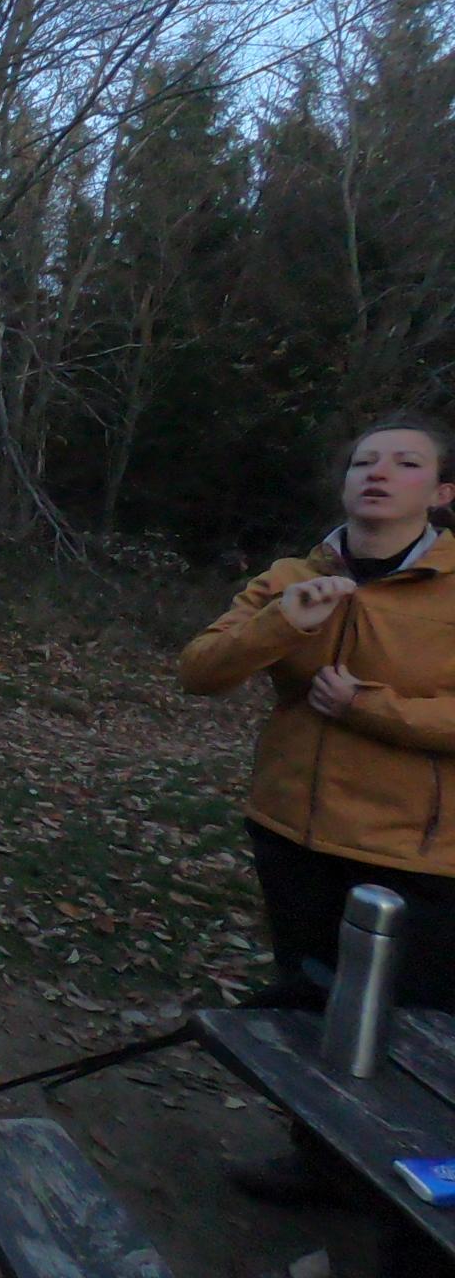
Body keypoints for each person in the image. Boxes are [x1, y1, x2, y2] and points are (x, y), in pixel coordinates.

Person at [180, 414, 455, 1202]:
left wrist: (371, 707)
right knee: (311, 1010)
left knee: (412, 1028)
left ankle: (409, 1190)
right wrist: (283, 621)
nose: (379, 472)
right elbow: (199, 670)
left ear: (441, 493)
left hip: (415, 849)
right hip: (293, 830)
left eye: (405, 462)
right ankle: (321, 1162)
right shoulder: (292, 575)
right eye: (364, 461)